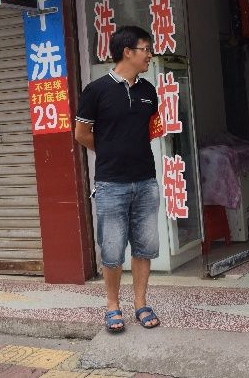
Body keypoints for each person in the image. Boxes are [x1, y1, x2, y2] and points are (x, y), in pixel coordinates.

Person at [74, 25, 161, 333]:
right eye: (146, 49)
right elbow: (81, 134)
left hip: (146, 182)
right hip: (111, 184)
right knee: (112, 250)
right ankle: (112, 306)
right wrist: (110, 150)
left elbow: (150, 131)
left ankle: (141, 304)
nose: (150, 55)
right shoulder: (96, 90)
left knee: (144, 247)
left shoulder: (148, 91)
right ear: (127, 52)